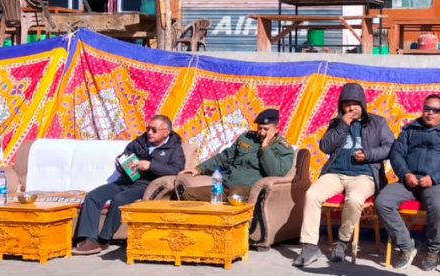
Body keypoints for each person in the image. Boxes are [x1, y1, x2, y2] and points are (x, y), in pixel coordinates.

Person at [294, 83, 394, 267]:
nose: (351, 108)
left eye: (355, 104)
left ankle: (342, 242)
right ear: (341, 106)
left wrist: (368, 155)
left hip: (364, 176)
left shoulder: (377, 122)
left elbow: (390, 147)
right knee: (312, 195)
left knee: (355, 199)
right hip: (335, 174)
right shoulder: (336, 123)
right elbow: (325, 147)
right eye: (347, 104)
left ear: (362, 104)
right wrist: (342, 126)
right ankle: (309, 246)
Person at [74, 115, 186, 255]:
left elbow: (176, 170)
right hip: (125, 180)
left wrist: (150, 165)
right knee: (92, 196)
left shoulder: (174, 148)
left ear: (166, 132)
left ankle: (103, 240)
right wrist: (122, 165)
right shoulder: (140, 142)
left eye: (154, 130)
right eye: (148, 129)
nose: (149, 132)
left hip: (146, 186)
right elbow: (124, 156)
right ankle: (90, 240)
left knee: (120, 199)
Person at [375, 94, 440, 271]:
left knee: (439, 206)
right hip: (409, 181)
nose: (430, 113)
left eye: (435, 110)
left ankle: (432, 251)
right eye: (427, 109)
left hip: (436, 182)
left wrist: (435, 178)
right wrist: (405, 173)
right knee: (382, 201)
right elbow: (397, 154)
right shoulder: (410, 129)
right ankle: (407, 245)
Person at [177, 108, 294, 201]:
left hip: (248, 189)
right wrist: (199, 168)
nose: (261, 132)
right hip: (226, 186)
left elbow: (276, 173)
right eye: (260, 128)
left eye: (266, 129)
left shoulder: (283, 148)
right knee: (189, 194)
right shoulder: (247, 138)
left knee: (234, 195)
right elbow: (224, 157)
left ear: (276, 128)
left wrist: (265, 148)